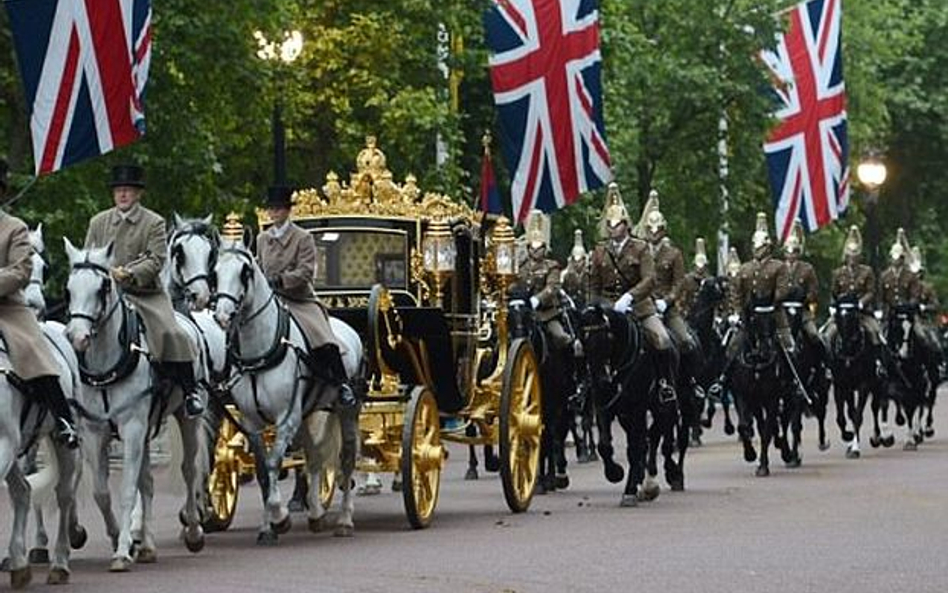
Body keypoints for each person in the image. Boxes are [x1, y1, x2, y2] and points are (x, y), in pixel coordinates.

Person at [84, 165, 204, 417]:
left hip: (144, 294)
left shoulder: (154, 222)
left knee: (171, 332)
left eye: (128, 190)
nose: (123, 195)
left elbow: (156, 258)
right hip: (104, 294)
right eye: (119, 190)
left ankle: (189, 390)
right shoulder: (98, 222)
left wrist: (129, 273)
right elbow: (88, 257)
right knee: (78, 327)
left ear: (138, 194)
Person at [0, 160, 79, 447]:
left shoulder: (15, 228)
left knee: (32, 349)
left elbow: (20, 270)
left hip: (8, 308)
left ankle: (63, 418)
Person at [256, 185, 355, 408]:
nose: (274, 213)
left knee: (323, 337)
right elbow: (258, 266)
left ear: (287, 211)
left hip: (299, 299)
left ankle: (341, 384)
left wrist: (282, 280)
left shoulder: (303, 238)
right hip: (270, 300)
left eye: (279, 209)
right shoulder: (262, 239)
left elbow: (306, 271)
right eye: (271, 209)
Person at [589, 183, 676, 400]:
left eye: (616, 224)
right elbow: (593, 283)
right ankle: (585, 388)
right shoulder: (600, 251)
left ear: (626, 225)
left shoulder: (640, 248)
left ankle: (665, 384)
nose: (612, 228)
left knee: (662, 339)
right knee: (586, 341)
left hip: (638, 308)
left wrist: (630, 296)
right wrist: (594, 305)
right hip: (608, 308)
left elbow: (650, 279)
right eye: (609, 224)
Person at [709, 213, 796, 399]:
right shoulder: (745, 269)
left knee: (789, 346)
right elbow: (735, 292)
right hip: (749, 317)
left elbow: (783, 289)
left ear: (768, 246)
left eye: (761, 246)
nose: (758, 250)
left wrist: (771, 300)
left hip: (773, 315)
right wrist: (737, 311)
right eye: (756, 246)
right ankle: (722, 381)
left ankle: (793, 382)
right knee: (732, 346)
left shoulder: (778, 267)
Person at [823, 225, 885, 374]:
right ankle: (827, 366)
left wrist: (861, 303)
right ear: (846, 256)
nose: (852, 259)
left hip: (861, 313)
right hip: (842, 313)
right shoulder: (838, 273)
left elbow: (871, 291)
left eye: (855, 256)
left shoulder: (866, 271)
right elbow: (834, 292)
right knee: (827, 334)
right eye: (850, 256)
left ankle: (878, 365)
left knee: (875, 332)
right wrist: (833, 305)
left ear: (859, 256)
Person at [514, 210, 573, 351]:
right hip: (523, 312)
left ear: (544, 248)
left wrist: (538, 299)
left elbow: (552, 287)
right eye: (532, 247)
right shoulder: (520, 266)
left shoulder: (551, 266)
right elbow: (513, 283)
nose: (535, 251)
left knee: (560, 337)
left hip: (546, 314)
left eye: (539, 247)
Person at [783, 220, 827, 357]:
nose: (791, 255)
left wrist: (805, 297)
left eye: (794, 252)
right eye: (788, 252)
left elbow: (814, 290)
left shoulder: (807, 269)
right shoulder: (778, 268)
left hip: (802, 310)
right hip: (782, 311)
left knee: (813, 335)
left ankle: (823, 366)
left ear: (798, 252)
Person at [678, 237, 712, 319]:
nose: (700, 268)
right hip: (689, 313)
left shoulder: (710, 281)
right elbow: (682, 298)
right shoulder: (687, 280)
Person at [561, 229, 589, 308]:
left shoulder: (590, 274)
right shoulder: (565, 274)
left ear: (584, 260)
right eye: (575, 261)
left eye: (579, 261)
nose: (577, 264)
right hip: (571, 305)